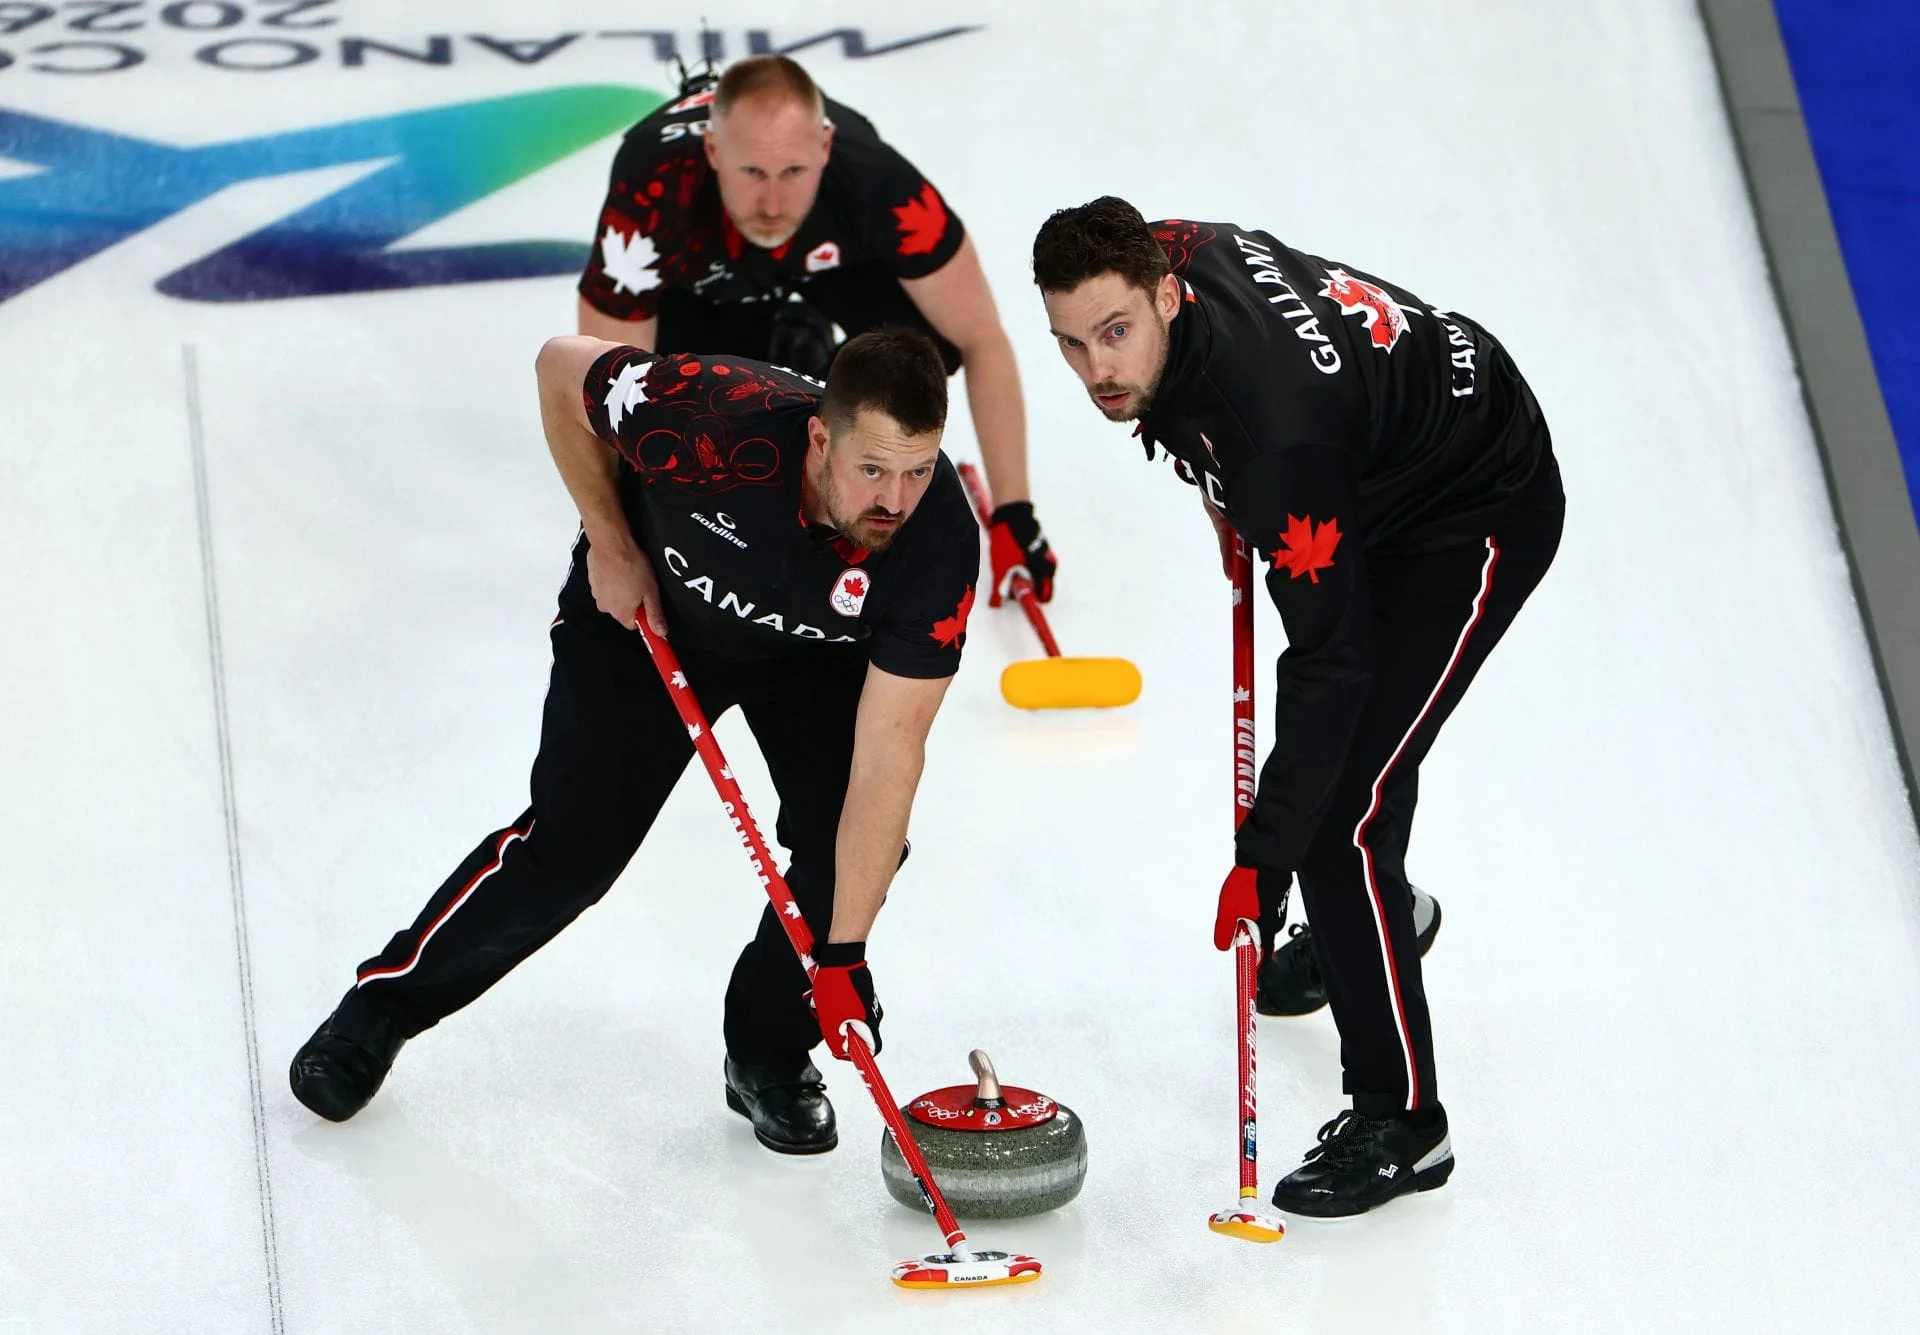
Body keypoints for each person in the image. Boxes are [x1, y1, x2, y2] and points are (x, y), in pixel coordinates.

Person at [290, 326, 980, 1156]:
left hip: (812, 658)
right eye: (872, 469)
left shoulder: (936, 543)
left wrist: (843, 956)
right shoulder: (710, 417)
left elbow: (890, 758)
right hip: (645, 612)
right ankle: (381, 1006)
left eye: (916, 470)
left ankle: (766, 1051)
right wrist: (611, 543)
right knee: (572, 852)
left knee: (849, 851)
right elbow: (555, 369)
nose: (894, 501)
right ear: (820, 437)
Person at [1031, 198, 1565, 1217]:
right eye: (1071, 342)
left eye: (1116, 334)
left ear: (1165, 295)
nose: (1098, 368)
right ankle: (1377, 923)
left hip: (1476, 507)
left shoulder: (1275, 442)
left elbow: (1331, 667)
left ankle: (1405, 1125)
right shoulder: (1174, 250)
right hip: (1374, 467)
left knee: (1337, 826)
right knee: (1356, 794)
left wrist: (1263, 861)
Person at [576, 53, 1057, 614]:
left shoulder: (878, 183)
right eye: (752, 172)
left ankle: (817, 359)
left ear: (824, 149)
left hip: (828, 260)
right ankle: (777, 347)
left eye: (793, 172)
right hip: (703, 286)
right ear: (713, 152)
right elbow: (604, 386)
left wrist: (1015, 513)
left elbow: (980, 336)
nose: (773, 203)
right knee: (686, 412)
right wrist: (616, 542)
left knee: (930, 346)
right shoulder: (652, 196)